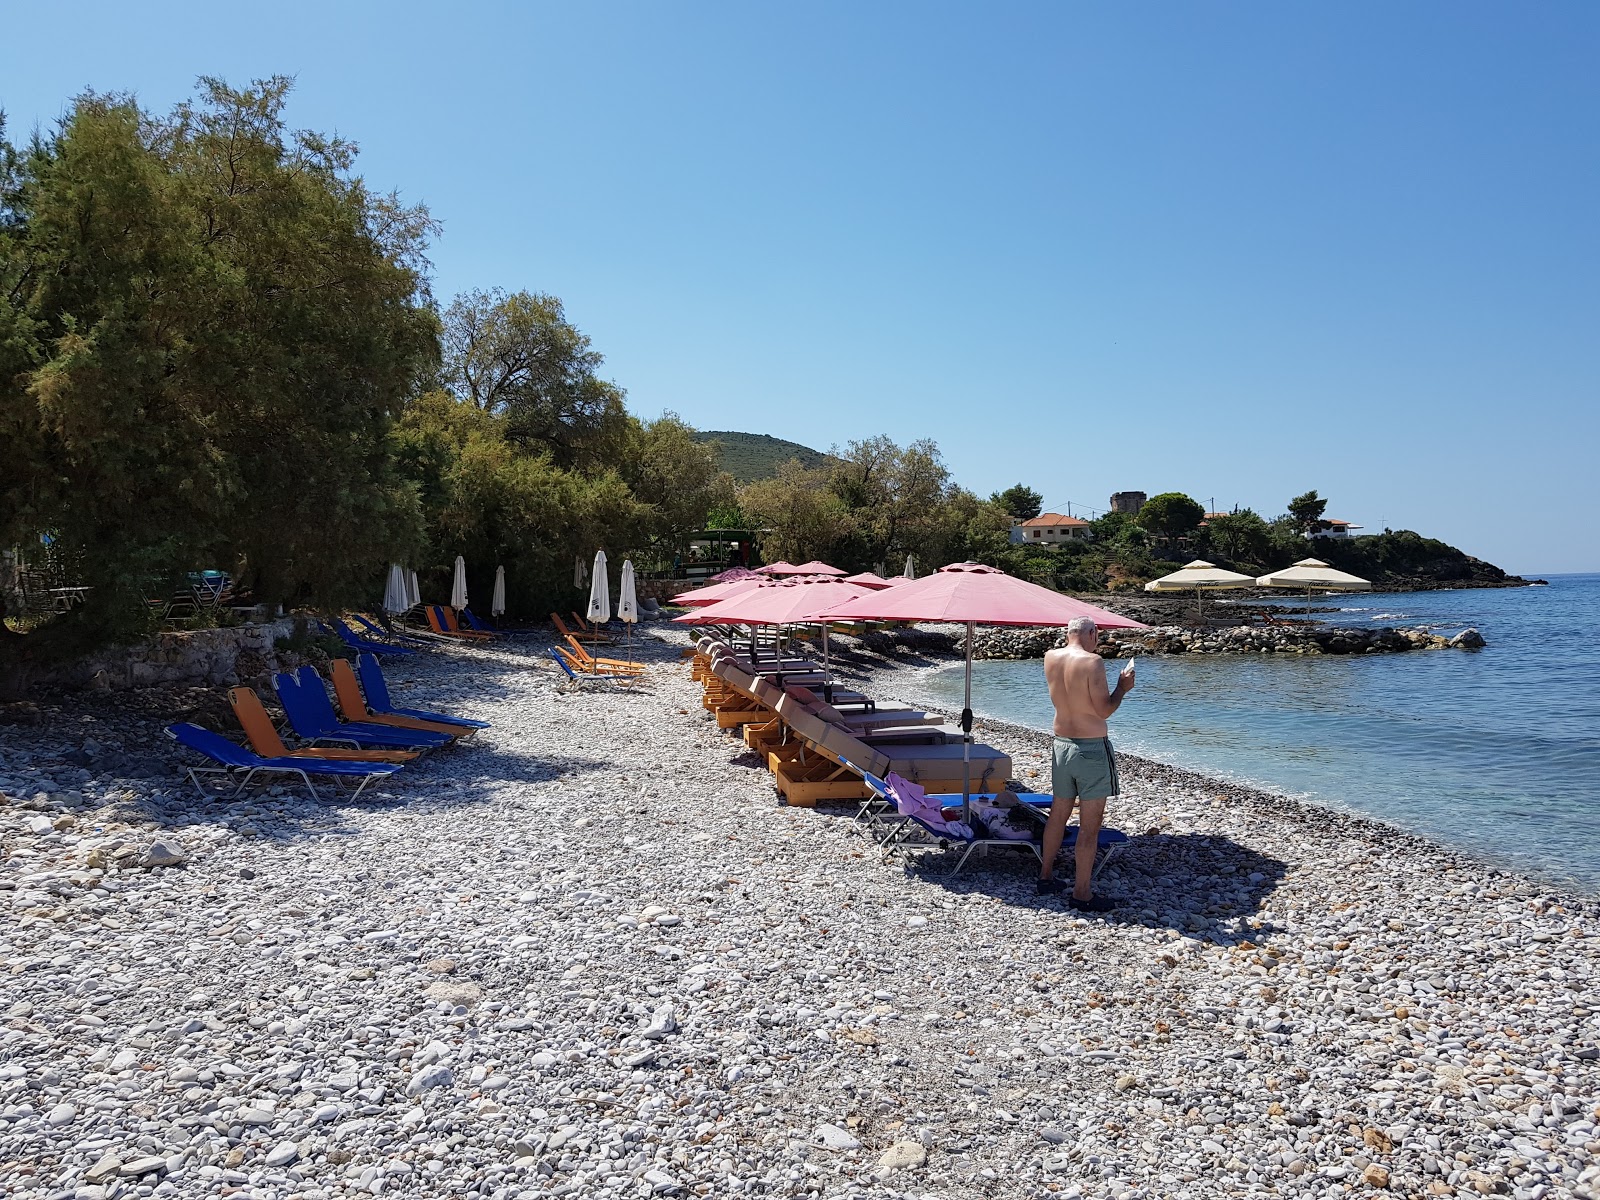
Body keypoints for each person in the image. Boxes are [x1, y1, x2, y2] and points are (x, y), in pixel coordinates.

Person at [1038, 616, 1135, 911]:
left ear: (1068, 633)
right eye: (1097, 635)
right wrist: (1122, 688)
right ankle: (1082, 893)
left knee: (1058, 813)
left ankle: (1045, 876)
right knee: (1089, 827)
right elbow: (1104, 710)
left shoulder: (1050, 657)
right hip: (1090, 749)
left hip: (1061, 744)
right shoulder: (1093, 661)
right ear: (1092, 633)